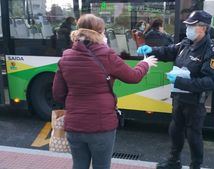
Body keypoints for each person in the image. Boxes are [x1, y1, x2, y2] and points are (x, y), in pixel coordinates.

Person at [52, 14, 157, 169]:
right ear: (100, 33)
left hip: (74, 124)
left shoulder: (66, 57)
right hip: (101, 126)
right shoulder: (106, 55)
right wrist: (145, 64)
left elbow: (58, 94)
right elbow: (133, 77)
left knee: (79, 165)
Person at [137, 10, 214, 169]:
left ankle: (196, 165)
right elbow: (168, 51)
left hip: (194, 101)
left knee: (193, 135)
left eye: (191, 25)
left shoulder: (211, 51)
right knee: (175, 130)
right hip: (179, 98)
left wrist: (180, 82)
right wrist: (151, 50)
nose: (187, 28)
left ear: (202, 28)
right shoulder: (186, 43)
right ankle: (173, 161)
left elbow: (210, 81)